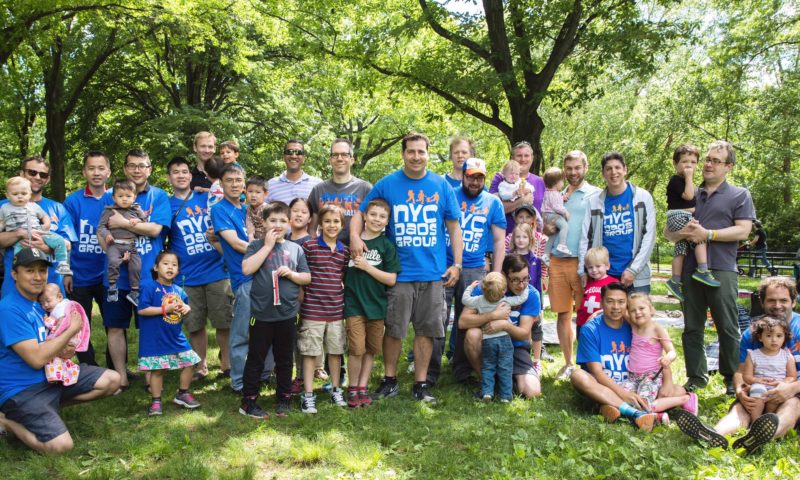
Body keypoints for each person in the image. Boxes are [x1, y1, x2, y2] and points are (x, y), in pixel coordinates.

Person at [350, 133, 462, 404]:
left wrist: (456, 264)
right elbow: (360, 212)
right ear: (403, 154)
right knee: (395, 329)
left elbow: (454, 227)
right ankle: (389, 381)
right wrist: (354, 237)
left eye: (421, 152)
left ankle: (420, 384)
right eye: (410, 151)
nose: (415, 156)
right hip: (398, 273)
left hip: (433, 273)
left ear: (428, 154)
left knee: (426, 331)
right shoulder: (388, 184)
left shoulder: (441, 186)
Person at [0, 248, 120, 454]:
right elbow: (37, 359)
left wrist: (66, 349)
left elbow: (50, 343)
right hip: (22, 389)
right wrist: (72, 329)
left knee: (113, 380)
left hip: (53, 377)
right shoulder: (9, 309)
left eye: (42, 270)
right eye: (30, 271)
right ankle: (7, 420)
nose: (38, 277)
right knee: (61, 447)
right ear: (14, 274)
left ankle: (50, 407)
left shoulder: (42, 304)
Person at [664, 140, 755, 394]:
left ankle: (730, 378)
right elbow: (667, 232)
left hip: (722, 269)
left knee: (727, 325)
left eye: (715, 160)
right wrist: (680, 233)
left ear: (728, 166)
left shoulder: (739, 195)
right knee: (692, 326)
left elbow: (743, 230)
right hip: (690, 269)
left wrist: (708, 234)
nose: (708, 164)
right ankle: (696, 376)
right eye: (707, 159)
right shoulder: (689, 190)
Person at [673, 277, 800, 454]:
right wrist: (740, 390)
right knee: (742, 407)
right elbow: (740, 371)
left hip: (794, 392)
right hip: (760, 389)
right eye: (771, 300)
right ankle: (713, 435)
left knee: (793, 405)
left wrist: (791, 388)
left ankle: (764, 436)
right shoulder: (753, 333)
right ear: (762, 303)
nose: (777, 305)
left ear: (793, 302)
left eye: (783, 300)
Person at [99, 149, 171, 390]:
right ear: (125, 169)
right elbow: (102, 230)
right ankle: (121, 376)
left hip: (148, 275)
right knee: (115, 326)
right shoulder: (110, 196)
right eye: (132, 165)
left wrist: (123, 223)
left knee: (149, 325)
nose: (137, 170)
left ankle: (151, 373)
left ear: (149, 169)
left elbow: (155, 230)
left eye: (142, 165)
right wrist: (111, 243)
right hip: (116, 276)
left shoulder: (159, 196)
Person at [435, 157, 505, 385]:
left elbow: (498, 241)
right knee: (438, 317)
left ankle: (462, 370)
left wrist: (496, 273)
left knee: (470, 319)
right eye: (471, 176)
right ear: (463, 176)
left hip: (475, 268)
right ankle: (430, 371)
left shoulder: (493, 202)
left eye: (479, 177)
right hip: (445, 265)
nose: (475, 182)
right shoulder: (449, 195)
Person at [239, 202, 310, 419]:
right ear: (264, 222)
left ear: (289, 223)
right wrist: (267, 246)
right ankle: (249, 401)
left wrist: (291, 274)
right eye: (272, 220)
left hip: (287, 314)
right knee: (256, 357)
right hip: (261, 315)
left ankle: (284, 397)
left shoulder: (295, 249)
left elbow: (306, 277)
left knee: (285, 357)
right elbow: (247, 269)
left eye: (282, 220)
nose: (277, 225)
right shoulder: (256, 246)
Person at [167, 157, 233, 380]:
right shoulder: (167, 205)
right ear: (169, 177)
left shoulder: (208, 197)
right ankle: (200, 365)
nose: (181, 175)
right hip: (187, 274)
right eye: (176, 172)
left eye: (185, 171)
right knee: (194, 324)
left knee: (224, 320)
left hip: (216, 269)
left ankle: (227, 364)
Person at [569, 282, 658, 432]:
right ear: (601, 302)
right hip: (603, 387)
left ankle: (611, 408)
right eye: (610, 301)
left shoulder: (634, 326)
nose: (616, 307)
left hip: (634, 385)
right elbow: (597, 372)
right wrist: (624, 394)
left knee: (675, 390)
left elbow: (656, 352)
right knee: (578, 375)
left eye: (621, 302)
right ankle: (635, 413)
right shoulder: (590, 329)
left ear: (627, 304)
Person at [548, 150, 600, 380]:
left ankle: (587, 364)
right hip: (557, 261)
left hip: (582, 262)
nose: (573, 172)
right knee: (562, 314)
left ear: (585, 168)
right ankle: (568, 363)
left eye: (577, 167)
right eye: (568, 168)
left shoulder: (595, 194)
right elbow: (548, 225)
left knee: (585, 314)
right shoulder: (557, 195)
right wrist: (547, 228)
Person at [459, 254, 542, 398]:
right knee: (472, 334)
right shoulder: (488, 287)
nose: (521, 285)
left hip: (516, 347)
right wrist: (493, 316)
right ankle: (489, 384)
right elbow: (462, 322)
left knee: (532, 392)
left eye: (525, 278)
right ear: (504, 275)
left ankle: (507, 381)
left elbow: (523, 334)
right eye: (515, 280)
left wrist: (504, 325)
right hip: (488, 343)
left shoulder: (531, 294)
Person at [343, 199, 400, 408]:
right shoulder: (352, 244)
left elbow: (391, 279)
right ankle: (352, 388)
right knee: (356, 348)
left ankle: (362, 387)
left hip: (376, 306)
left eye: (382, 216)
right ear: (364, 216)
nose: (377, 219)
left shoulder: (386, 246)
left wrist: (367, 267)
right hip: (354, 305)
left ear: (387, 221)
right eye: (373, 214)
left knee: (370, 349)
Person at [0, 155, 77, 298]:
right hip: (14, 287)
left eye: (43, 174)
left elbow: (67, 245)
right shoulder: (3, 207)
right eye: (32, 172)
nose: (37, 177)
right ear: (22, 174)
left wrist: (45, 247)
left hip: (52, 288)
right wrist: (19, 234)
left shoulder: (58, 208)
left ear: (47, 179)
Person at [579, 151, 656, 294]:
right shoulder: (595, 202)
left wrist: (633, 270)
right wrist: (582, 270)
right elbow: (586, 238)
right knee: (606, 316)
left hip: (636, 275)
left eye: (617, 167)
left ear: (625, 170)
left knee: (637, 316)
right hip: (604, 275)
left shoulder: (642, 197)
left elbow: (649, 237)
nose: (613, 172)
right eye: (608, 169)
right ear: (603, 173)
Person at [299, 205, 350, 413]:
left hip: (336, 310)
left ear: (342, 225)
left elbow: (343, 277)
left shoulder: (344, 251)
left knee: (336, 352)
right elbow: (302, 276)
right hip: (313, 310)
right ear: (320, 223)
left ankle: (336, 389)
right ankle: (308, 394)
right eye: (327, 221)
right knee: (310, 352)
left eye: (336, 221)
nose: (331, 225)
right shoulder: (309, 247)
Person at [136, 251, 201, 416]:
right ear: (156, 267)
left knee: (191, 362)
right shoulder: (149, 287)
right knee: (158, 370)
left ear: (178, 270)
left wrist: (187, 308)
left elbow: (185, 305)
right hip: (156, 338)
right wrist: (165, 309)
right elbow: (143, 310)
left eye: (174, 264)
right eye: (166, 263)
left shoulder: (178, 290)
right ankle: (156, 401)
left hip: (175, 336)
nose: (170, 267)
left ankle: (182, 393)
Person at [64, 151, 112, 366]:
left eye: (101, 168)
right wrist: (66, 270)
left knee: (113, 324)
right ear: (84, 172)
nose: (96, 173)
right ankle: (88, 369)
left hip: (109, 273)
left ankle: (116, 367)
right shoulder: (73, 201)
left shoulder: (116, 198)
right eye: (91, 168)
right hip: (79, 274)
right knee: (81, 326)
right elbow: (65, 238)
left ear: (108, 172)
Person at [210, 164, 253, 394]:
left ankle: (259, 374)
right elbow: (235, 244)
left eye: (238, 180)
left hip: (262, 276)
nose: (235, 184)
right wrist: (267, 251)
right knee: (241, 332)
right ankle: (238, 381)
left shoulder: (249, 209)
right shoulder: (220, 210)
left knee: (262, 329)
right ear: (221, 184)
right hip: (243, 278)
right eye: (229, 180)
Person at [624, 293, 697, 423]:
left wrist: (668, 358)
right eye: (633, 310)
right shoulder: (634, 325)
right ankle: (655, 413)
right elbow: (617, 310)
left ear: (651, 309)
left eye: (642, 308)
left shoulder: (657, 329)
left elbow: (672, 351)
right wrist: (600, 312)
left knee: (643, 402)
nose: (638, 313)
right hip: (633, 376)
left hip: (651, 376)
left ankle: (684, 399)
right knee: (623, 397)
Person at [664, 144, 720, 302]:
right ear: (675, 164)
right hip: (679, 216)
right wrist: (689, 177)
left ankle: (674, 280)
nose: (689, 165)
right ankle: (702, 269)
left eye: (693, 162)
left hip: (677, 217)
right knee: (699, 236)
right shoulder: (676, 180)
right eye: (684, 162)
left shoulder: (683, 181)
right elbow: (689, 196)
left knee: (680, 248)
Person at [462, 273, 529, 402]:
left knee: (488, 366)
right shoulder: (505, 301)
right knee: (505, 367)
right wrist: (526, 287)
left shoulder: (479, 300)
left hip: (488, 340)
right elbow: (521, 299)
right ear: (504, 290)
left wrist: (470, 288)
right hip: (504, 340)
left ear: (482, 288)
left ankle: (487, 392)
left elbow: (465, 300)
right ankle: (505, 396)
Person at [0, 177, 72, 276]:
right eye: (15, 194)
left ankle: (62, 264)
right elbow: (2, 222)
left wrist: (46, 225)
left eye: (24, 193)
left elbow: (44, 216)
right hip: (19, 241)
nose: (20, 196)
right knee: (19, 256)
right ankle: (19, 274)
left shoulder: (33, 206)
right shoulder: (4, 207)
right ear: (7, 195)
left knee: (59, 240)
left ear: (29, 194)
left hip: (38, 232)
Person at [308, 138, 373, 243]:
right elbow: (311, 229)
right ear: (330, 160)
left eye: (344, 154)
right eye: (335, 155)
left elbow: (375, 224)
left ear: (352, 160)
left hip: (356, 253)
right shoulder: (318, 189)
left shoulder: (365, 188)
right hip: (326, 253)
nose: (339, 158)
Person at [98, 179, 146, 306]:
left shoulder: (136, 209)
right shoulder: (109, 210)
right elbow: (101, 227)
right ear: (114, 197)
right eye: (120, 196)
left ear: (134, 196)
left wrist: (138, 221)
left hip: (131, 244)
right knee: (113, 261)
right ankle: (113, 287)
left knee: (136, 265)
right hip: (114, 244)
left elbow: (144, 221)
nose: (124, 199)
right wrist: (107, 234)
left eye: (128, 196)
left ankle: (134, 292)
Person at [741, 315, 796, 418]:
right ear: (760, 337)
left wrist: (782, 382)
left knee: (774, 399)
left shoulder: (787, 356)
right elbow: (746, 376)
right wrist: (757, 380)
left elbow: (792, 377)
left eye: (779, 336)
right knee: (757, 394)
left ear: (785, 337)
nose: (774, 340)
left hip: (778, 386)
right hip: (759, 385)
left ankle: (768, 418)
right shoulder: (753, 355)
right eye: (769, 335)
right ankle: (755, 421)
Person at [37, 283, 90, 386]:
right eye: (42, 303)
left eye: (48, 301)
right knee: (61, 359)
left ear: (60, 297)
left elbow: (62, 323)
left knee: (52, 356)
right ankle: (66, 374)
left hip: (69, 337)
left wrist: (51, 333)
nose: (45, 305)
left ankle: (56, 376)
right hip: (70, 337)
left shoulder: (60, 307)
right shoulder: (60, 305)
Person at [489, 141, 545, 234]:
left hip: (533, 241)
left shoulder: (540, 182)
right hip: (504, 238)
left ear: (532, 158)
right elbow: (493, 208)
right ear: (512, 158)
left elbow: (546, 211)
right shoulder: (500, 178)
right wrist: (521, 201)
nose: (523, 159)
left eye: (526, 155)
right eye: (519, 156)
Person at [267, 139, 322, 204]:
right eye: (289, 152)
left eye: (298, 152)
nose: (293, 156)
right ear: (283, 157)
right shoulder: (270, 185)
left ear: (303, 158)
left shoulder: (317, 184)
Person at [540, 166, 572, 264]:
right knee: (565, 226)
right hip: (552, 215)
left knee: (552, 236)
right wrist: (565, 211)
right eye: (562, 181)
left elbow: (554, 201)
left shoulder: (549, 192)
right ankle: (562, 244)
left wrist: (562, 198)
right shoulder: (554, 193)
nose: (563, 183)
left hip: (547, 215)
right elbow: (556, 206)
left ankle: (545, 254)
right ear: (556, 183)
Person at [245, 175, 268, 241]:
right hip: (256, 240)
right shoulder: (249, 208)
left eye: (258, 192)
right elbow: (249, 222)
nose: (253, 195)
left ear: (265, 194)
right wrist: (250, 235)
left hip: (268, 239)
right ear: (246, 192)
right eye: (250, 191)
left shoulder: (267, 209)